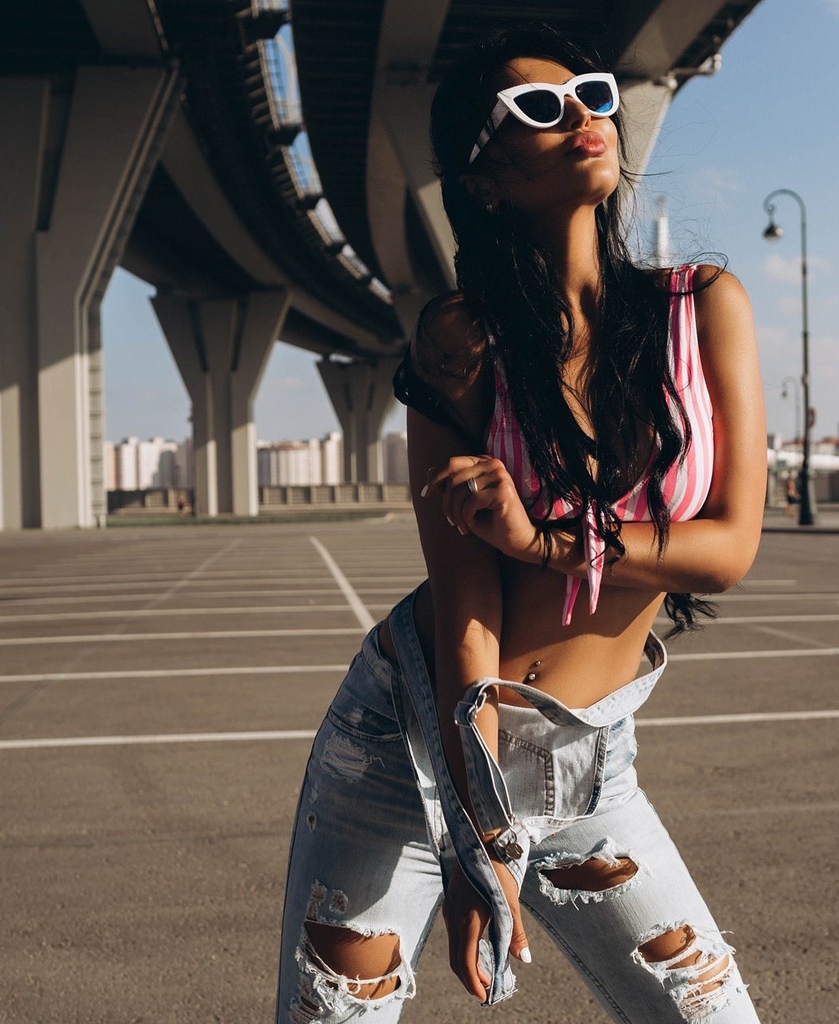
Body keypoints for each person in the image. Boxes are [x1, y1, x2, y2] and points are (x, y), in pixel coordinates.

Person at [274, 23, 767, 1024]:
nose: (582, 113)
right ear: (486, 172)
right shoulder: (459, 340)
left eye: (588, 92)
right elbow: (465, 609)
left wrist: (543, 540)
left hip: (589, 764)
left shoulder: (702, 305)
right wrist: (476, 833)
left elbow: (726, 550)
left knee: (710, 1014)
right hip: (408, 746)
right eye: (537, 109)